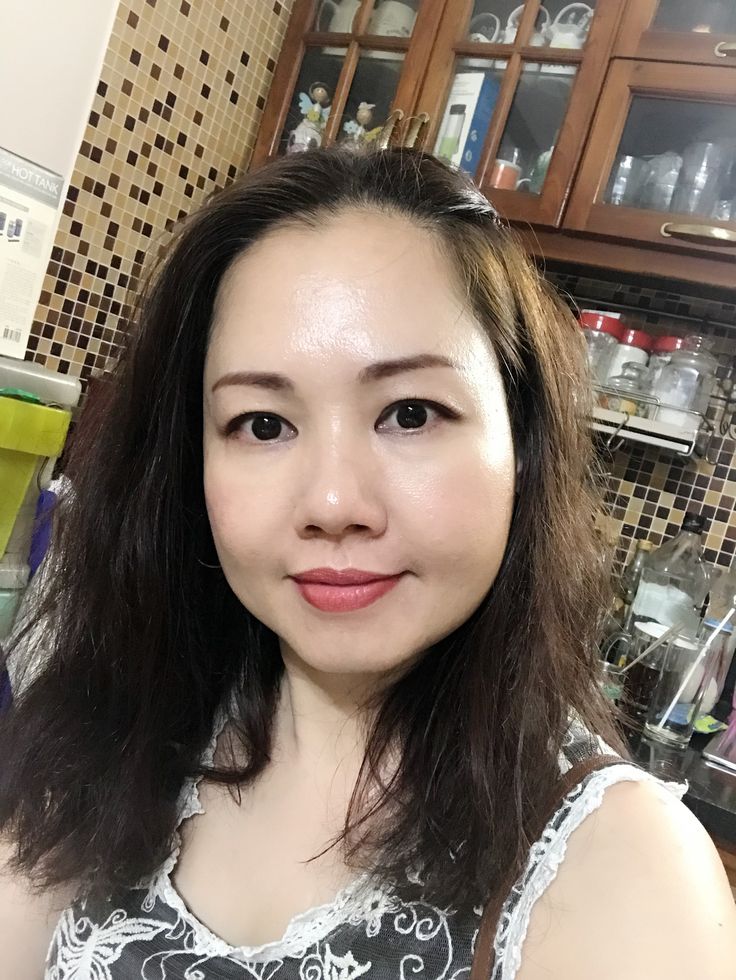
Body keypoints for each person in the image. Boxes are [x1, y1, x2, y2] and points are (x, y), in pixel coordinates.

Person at [1, 146, 734, 979]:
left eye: (410, 413)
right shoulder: (110, 737)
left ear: (521, 444)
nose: (332, 502)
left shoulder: (626, 877)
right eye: (263, 425)